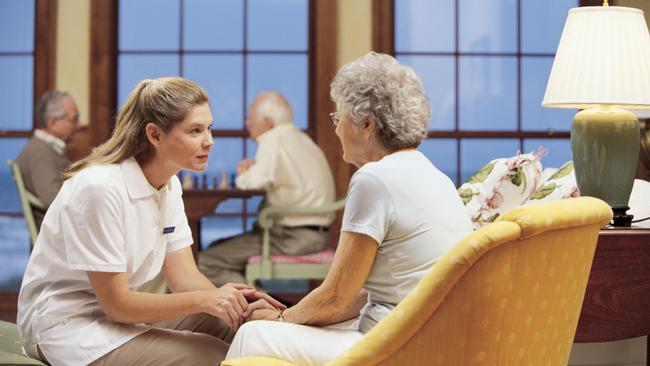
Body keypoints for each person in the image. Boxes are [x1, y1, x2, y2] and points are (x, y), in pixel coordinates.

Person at [225, 52, 474, 365]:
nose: (337, 129)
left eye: (337, 118)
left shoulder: (374, 178)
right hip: (429, 336)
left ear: (365, 124)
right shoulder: (434, 175)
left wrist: (280, 321)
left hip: (395, 344)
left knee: (253, 334)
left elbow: (335, 296)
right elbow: (358, 293)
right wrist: (286, 315)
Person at [17, 77, 285, 366]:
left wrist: (238, 306)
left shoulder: (169, 186)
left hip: (116, 316)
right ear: (155, 135)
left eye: (209, 128)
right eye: (195, 130)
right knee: (216, 356)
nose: (209, 140)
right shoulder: (100, 188)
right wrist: (207, 300)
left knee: (242, 329)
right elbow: (118, 305)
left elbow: (184, 278)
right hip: (69, 326)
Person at [199, 91, 336, 287]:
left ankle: (262, 307)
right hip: (316, 235)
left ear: (268, 122)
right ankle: (267, 303)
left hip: (291, 237)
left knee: (205, 260)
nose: (247, 122)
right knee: (217, 248)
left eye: (251, 117)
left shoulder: (273, 139)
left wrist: (243, 173)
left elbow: (252, 183)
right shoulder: (301, 139)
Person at [16, 90, 81, 228]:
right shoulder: (39, 153)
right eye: (74, 120)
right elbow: (53, 197)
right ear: (52, 122)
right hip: (57, 233)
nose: (78, 125)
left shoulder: (47, 149)